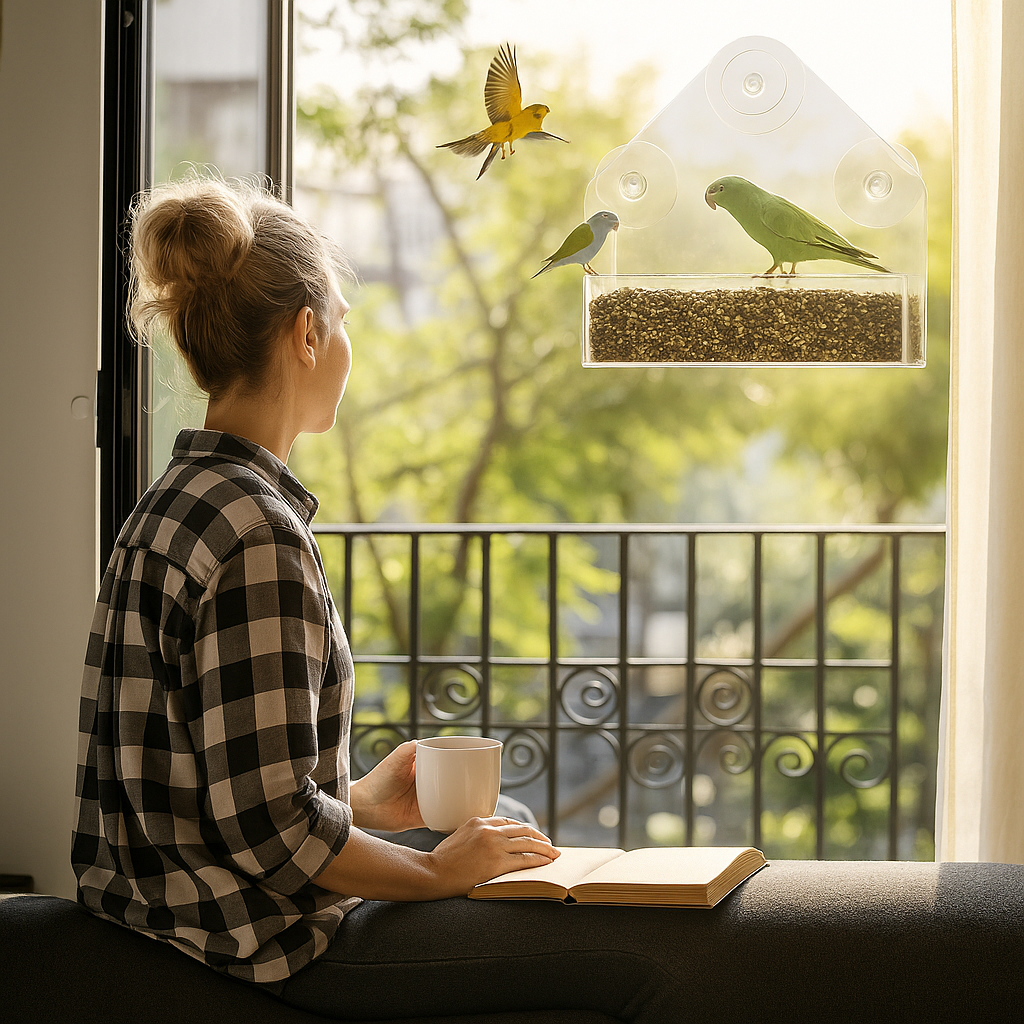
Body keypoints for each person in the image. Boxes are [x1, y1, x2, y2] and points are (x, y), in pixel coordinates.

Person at [72, 175, 685, 1022]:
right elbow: (267, 829)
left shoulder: (173, 501)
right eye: (344, 322)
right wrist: (434, 871)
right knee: (621, 944)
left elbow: (212, 774)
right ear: (308, 334)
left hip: (159, 906)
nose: (350, 345)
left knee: (499, 818)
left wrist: (357, 799)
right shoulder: (258, 535)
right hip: (248, 943)